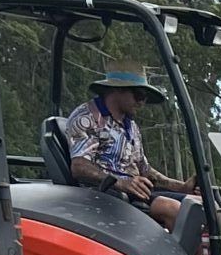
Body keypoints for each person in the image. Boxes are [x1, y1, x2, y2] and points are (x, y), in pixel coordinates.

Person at [64, 68, 191, 229]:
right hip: (102, 195)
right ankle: (171, 254)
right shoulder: (87, 118)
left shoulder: (130, 126)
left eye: (145, 98)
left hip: (133, 193)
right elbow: (79, 166)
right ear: (117, 89)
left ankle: (207, 254)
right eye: (138, 95)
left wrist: (182, 187)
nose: (142, 103)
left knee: (204, 206)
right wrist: (120, 182)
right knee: (173, 209)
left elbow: (144, 170)